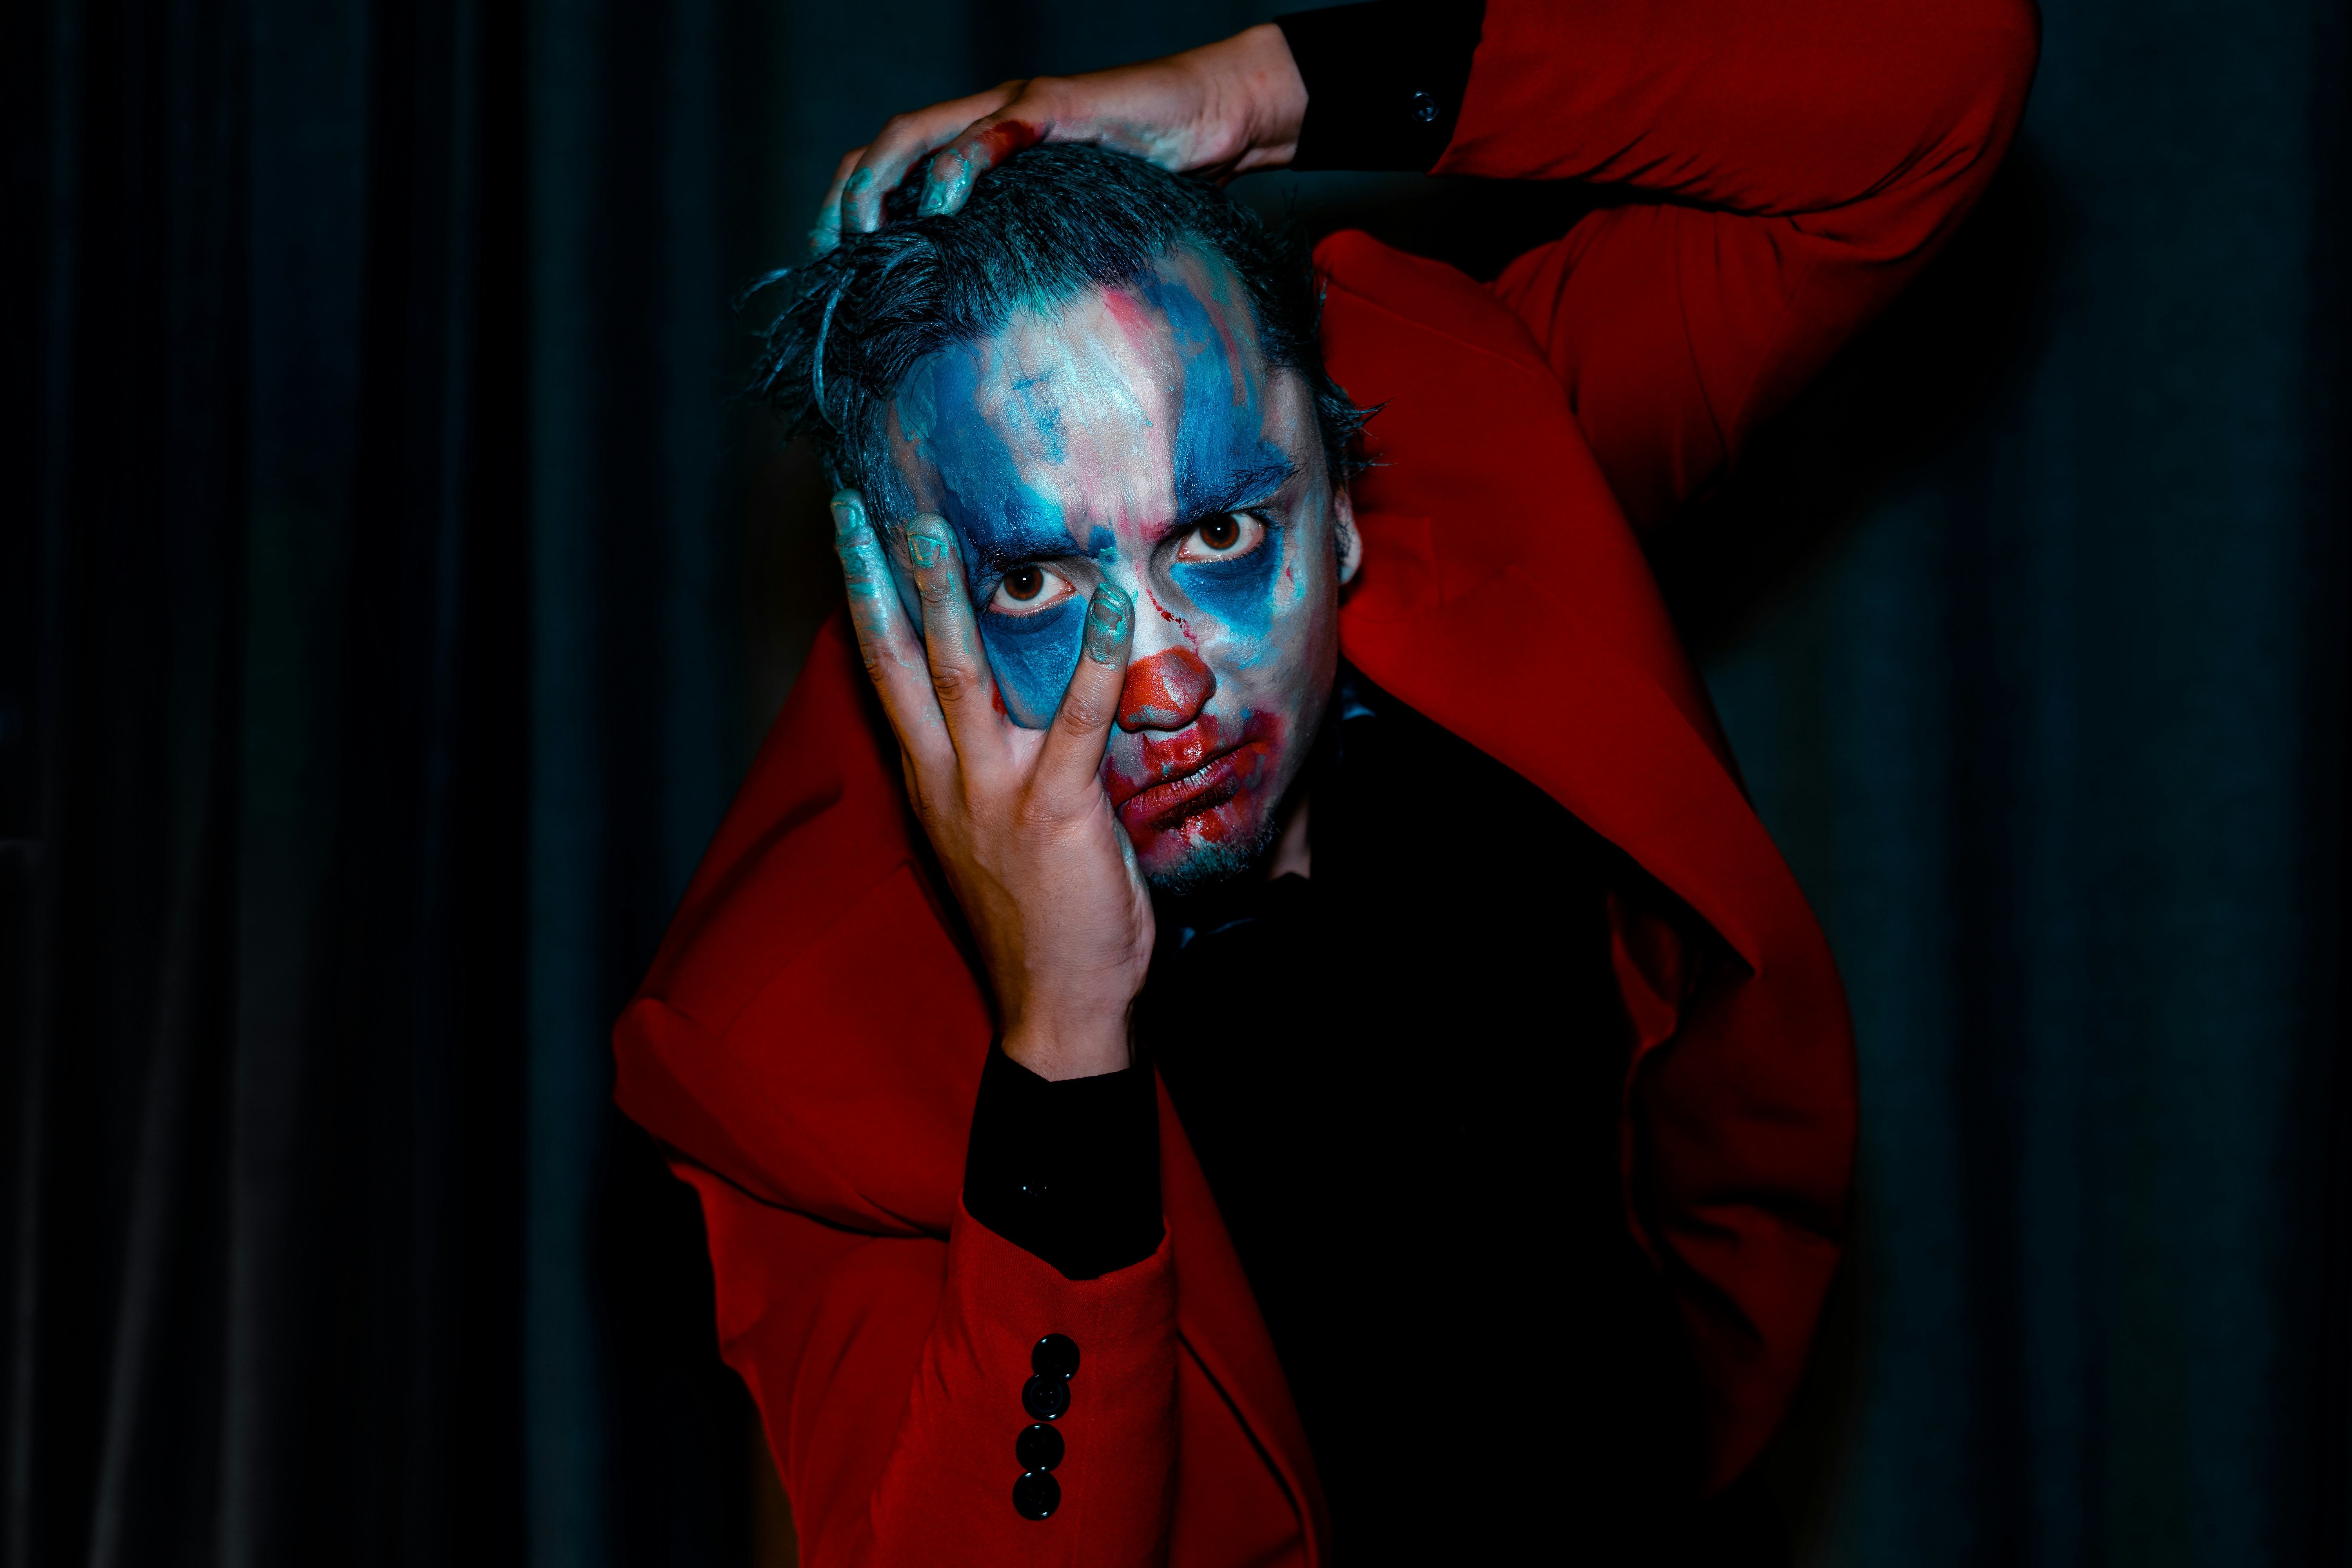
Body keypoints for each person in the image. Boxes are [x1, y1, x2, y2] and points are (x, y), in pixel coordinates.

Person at [612, 4, 2038, 1564]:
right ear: (898, 594)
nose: (1161, 685)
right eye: (1033, 577)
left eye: (1219, 535)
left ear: (1347, 499)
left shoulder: (1483, 459)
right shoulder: (786, 1041)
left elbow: (1933, 87)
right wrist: (1064, 1056)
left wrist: (1260, 90)